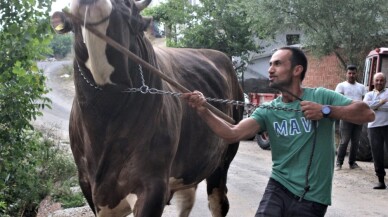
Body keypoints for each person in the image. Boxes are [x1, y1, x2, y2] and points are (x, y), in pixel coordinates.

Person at [182, 46, 375, 217]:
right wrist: (203, 110)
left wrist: (326, 111)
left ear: (297, 70)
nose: (270, 70)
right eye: (270, 64)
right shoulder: (269, 110)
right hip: (278, 187)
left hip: (314, 195)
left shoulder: (320, 96)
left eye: (277, 64)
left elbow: (367, 113)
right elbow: (232, 133)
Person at [334, 64, 367, 170]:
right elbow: (338, 100)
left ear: (356, 73)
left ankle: (352, 163)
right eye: (349, 73)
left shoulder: (362, 87)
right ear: (346, 74)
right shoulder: (341, 86)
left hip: (358, 118)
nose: (351, 75)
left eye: (353, 73)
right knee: (344, 140)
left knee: (356, 141)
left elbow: (364, 102)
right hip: (346, 116)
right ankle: (339, 162)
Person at [363, 72, 388, 190]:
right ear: (373, 82)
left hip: (387, 126)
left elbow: (372, 106)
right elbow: (366, 107)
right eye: (377, 80)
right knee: (377, 154)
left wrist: (375, 105)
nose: (379, 82)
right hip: (373, 127)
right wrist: (383, 102)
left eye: (381, 80)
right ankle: (381, 181)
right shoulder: (368, 94)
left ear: (385, 81)